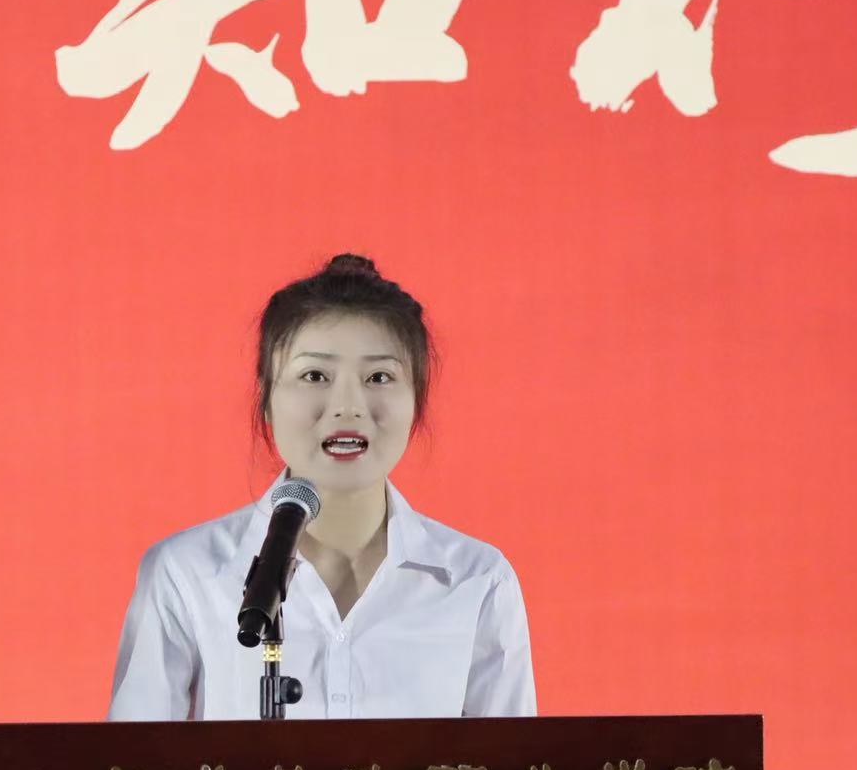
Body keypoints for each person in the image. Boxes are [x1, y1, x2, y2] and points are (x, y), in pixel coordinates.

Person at [107, 253, 537, 721]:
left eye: (379, 377)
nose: (348, 406)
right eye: (315, 376)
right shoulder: (186, 573)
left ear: (417, 399)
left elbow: (512, 765)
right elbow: (135, 762)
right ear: (267, 398)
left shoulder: (478, 580)